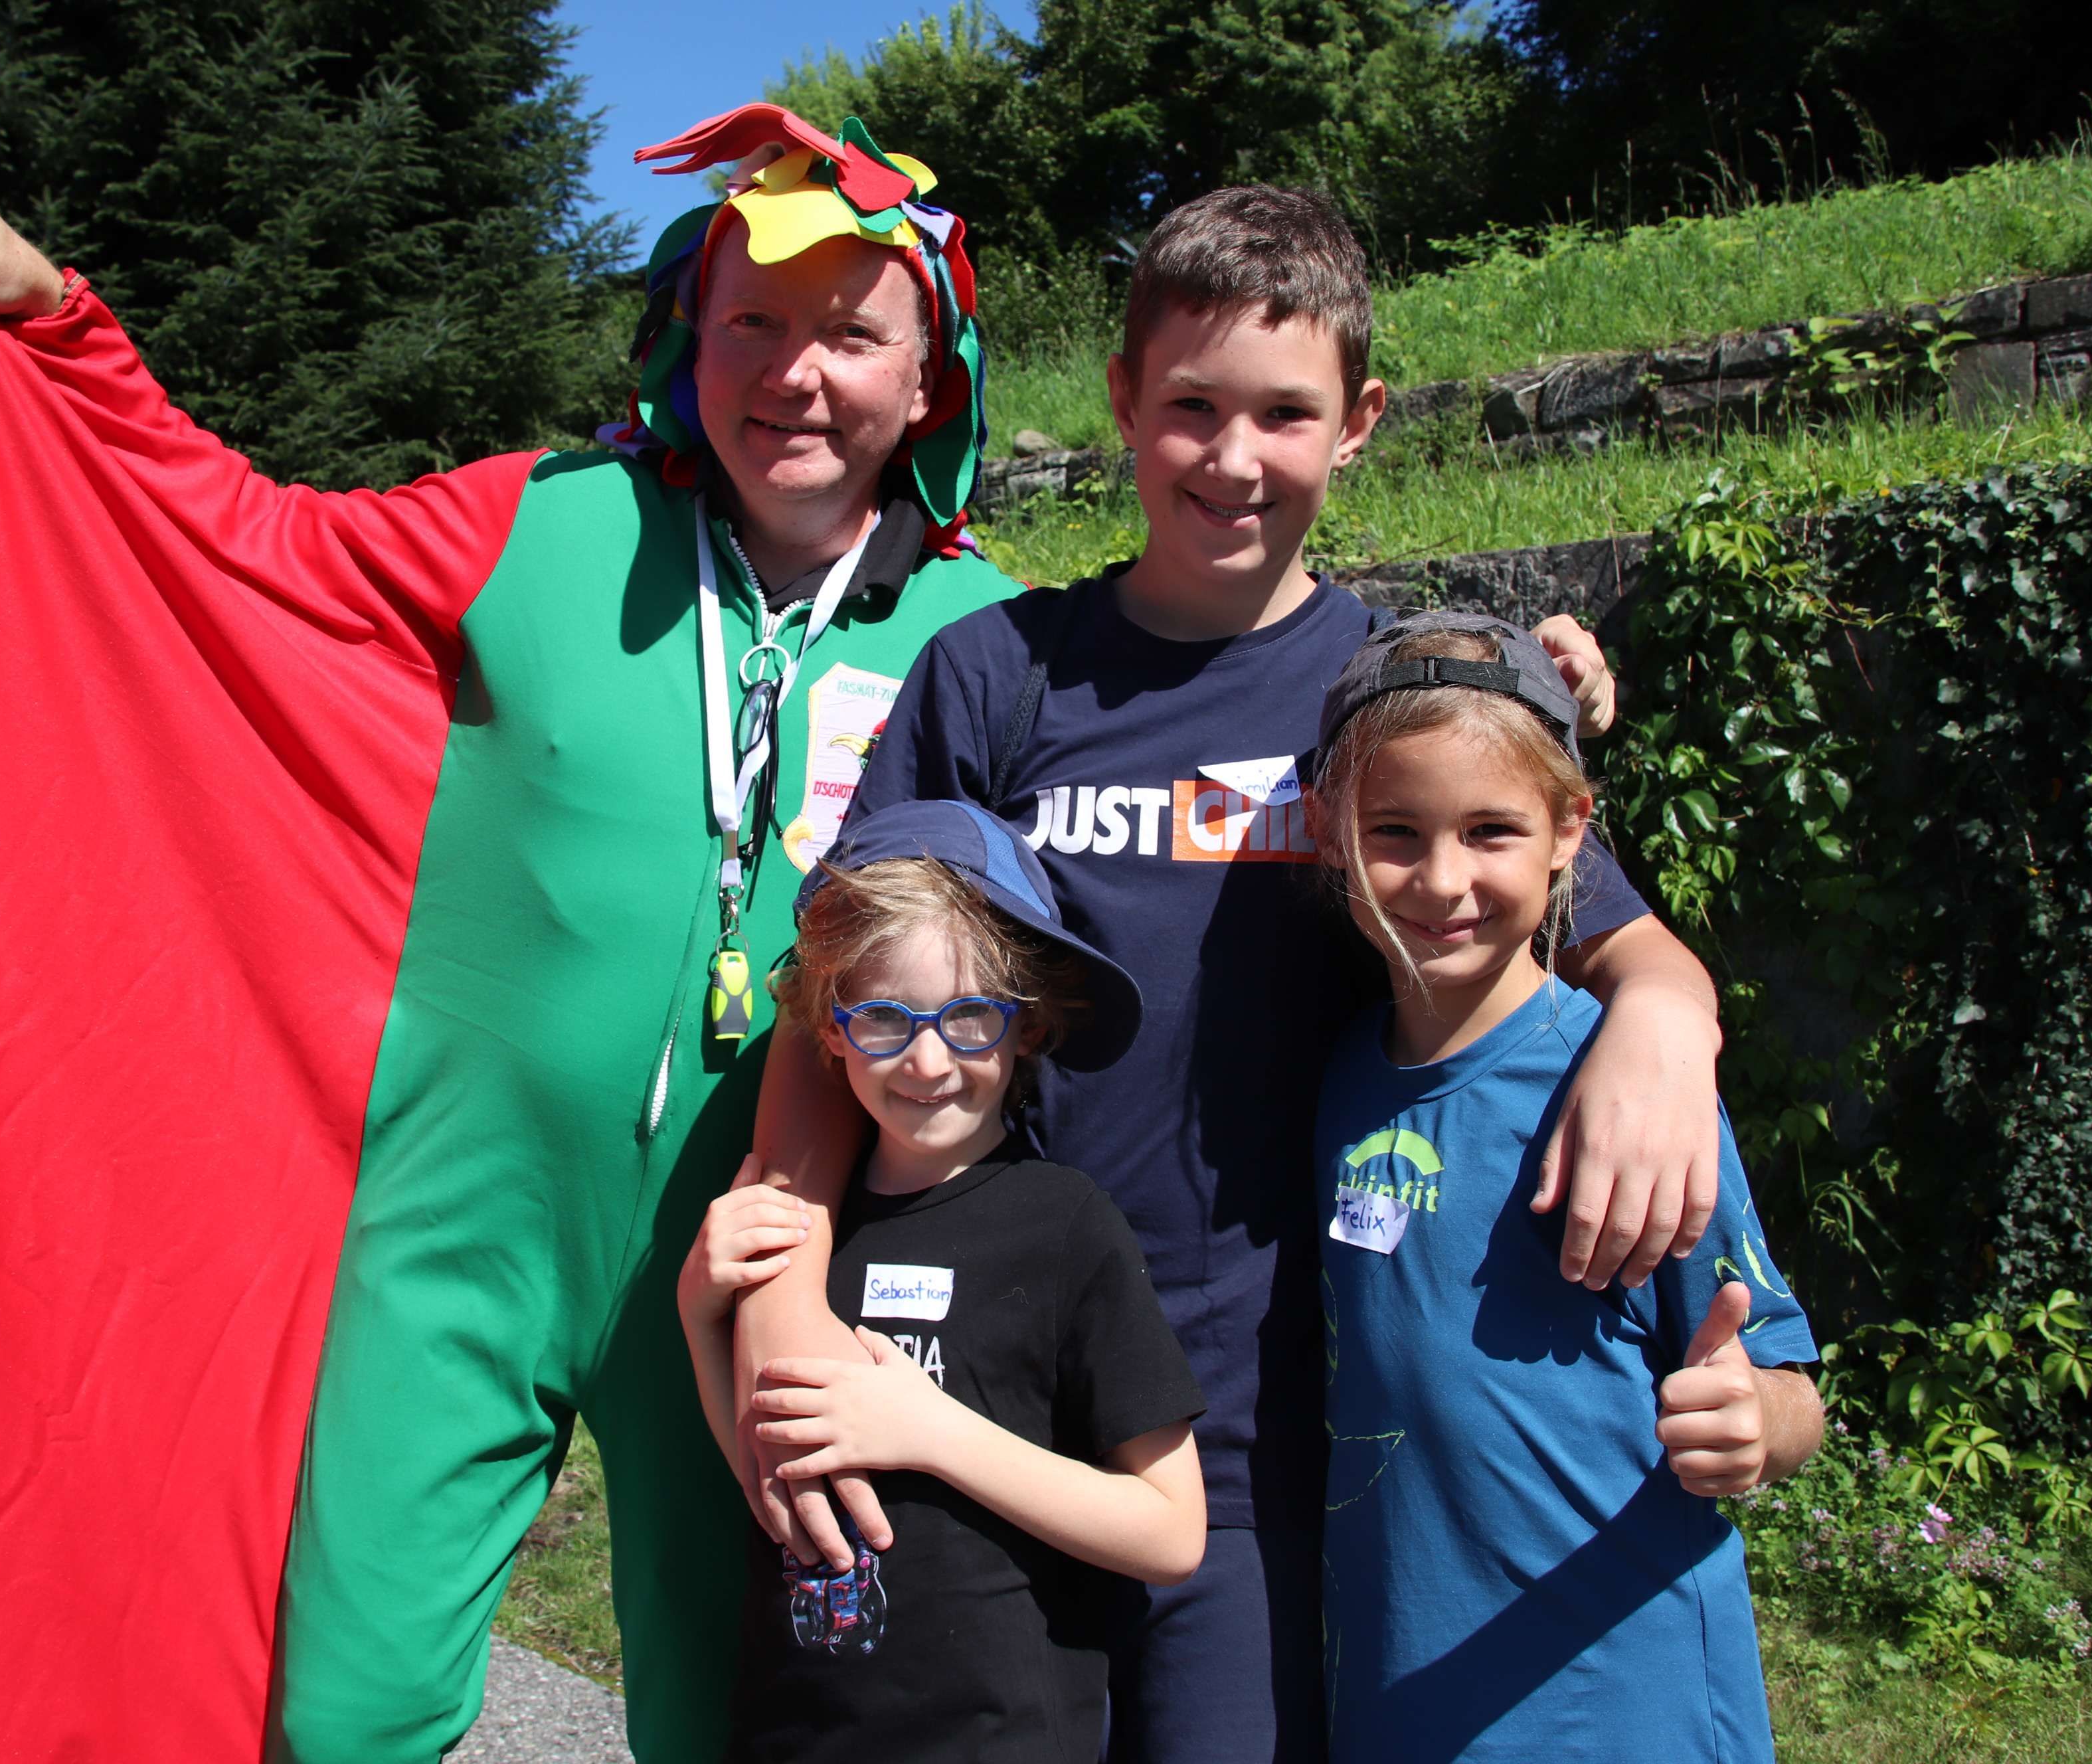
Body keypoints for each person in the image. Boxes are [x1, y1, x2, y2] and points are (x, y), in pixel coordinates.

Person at [0, 104, 1017, 1764]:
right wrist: (50, 317)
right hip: (461, 1223)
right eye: (752, 324)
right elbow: (233, 540)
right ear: (688, 336)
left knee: (736, 1718)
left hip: (766, 1257)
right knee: (348, 1705)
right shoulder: (548, 520)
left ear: (927, 381)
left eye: (850, 335)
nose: (794, 374)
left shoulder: (986, 635)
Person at [739, 185, 1734, 1762]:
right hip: (971, 1389)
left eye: (1285, 413)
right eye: (1193, 405)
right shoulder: (998, 675)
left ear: (1362, 422)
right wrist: (788, 1266)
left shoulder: (1389, 704)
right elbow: (834, 987)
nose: (1233, 456)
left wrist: (1673, 1020)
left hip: (1260, 1435)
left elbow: (1616, 934)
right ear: (1124, 400)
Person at [1306, 612, 1822, 1761]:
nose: (1443, 880)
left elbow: (1786, 1379)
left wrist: (1757, 1424)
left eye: (1492, 830)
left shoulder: (1632, 1090)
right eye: (1395, 832)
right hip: (1399, 1707)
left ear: (1569, 833)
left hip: (1625, 1712)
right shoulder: (1336, 1078)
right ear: (1326, 832)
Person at [679, 798, 1207, 1760]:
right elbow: (769, 1474)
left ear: (1027, 1026)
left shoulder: (1067, 1228)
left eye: (969, 1018)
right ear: (830, 1029)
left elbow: (1170, 1533)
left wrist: (931, 1432)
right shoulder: (806, 1235)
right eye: (884, 1019)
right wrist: (699, 1318)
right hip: (796, 1733)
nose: (928, 1061)